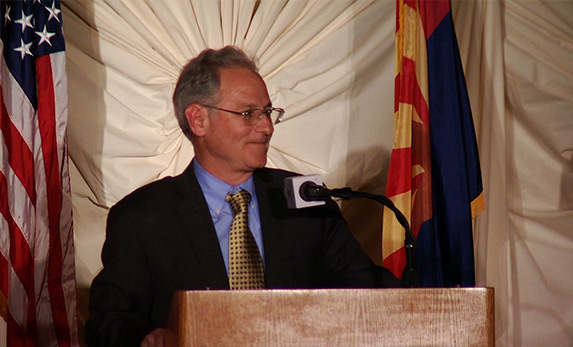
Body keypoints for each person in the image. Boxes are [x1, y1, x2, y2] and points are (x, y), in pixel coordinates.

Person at [85, 46, 399, 346]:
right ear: (198, 120)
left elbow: (366, 293)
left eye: (267, 112)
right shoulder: (143, 217)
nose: (266, 127)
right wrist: (152, 338)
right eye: (248, 113)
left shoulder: (306, 199)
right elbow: (108, 321)